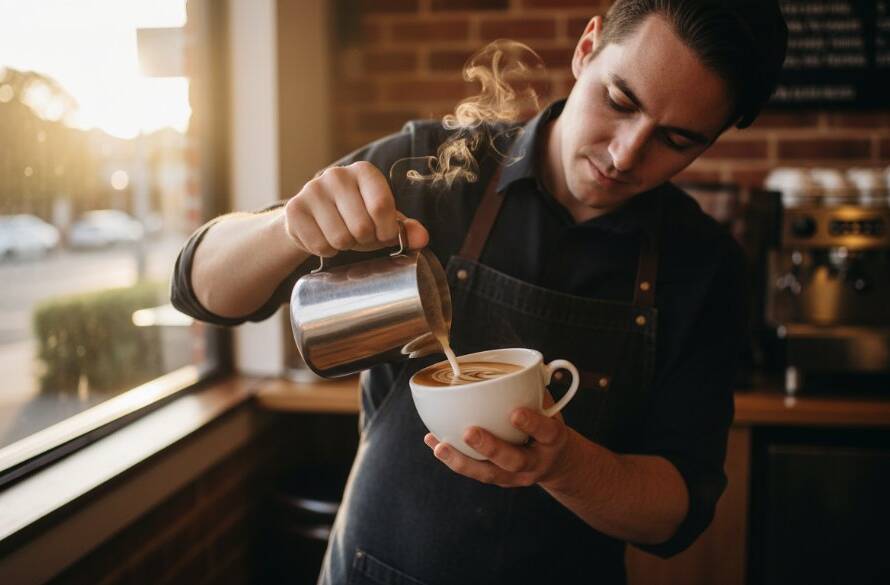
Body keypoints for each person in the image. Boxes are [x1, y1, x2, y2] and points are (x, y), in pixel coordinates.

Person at [172, 1, 787, 583]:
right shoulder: (431, 165)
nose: (626, 154)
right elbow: (200, 289)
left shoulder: (706, 266)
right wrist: (287, 229)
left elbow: (675, 514)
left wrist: (564, 465)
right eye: (619, 100)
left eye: (677, 140)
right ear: (587, 48)